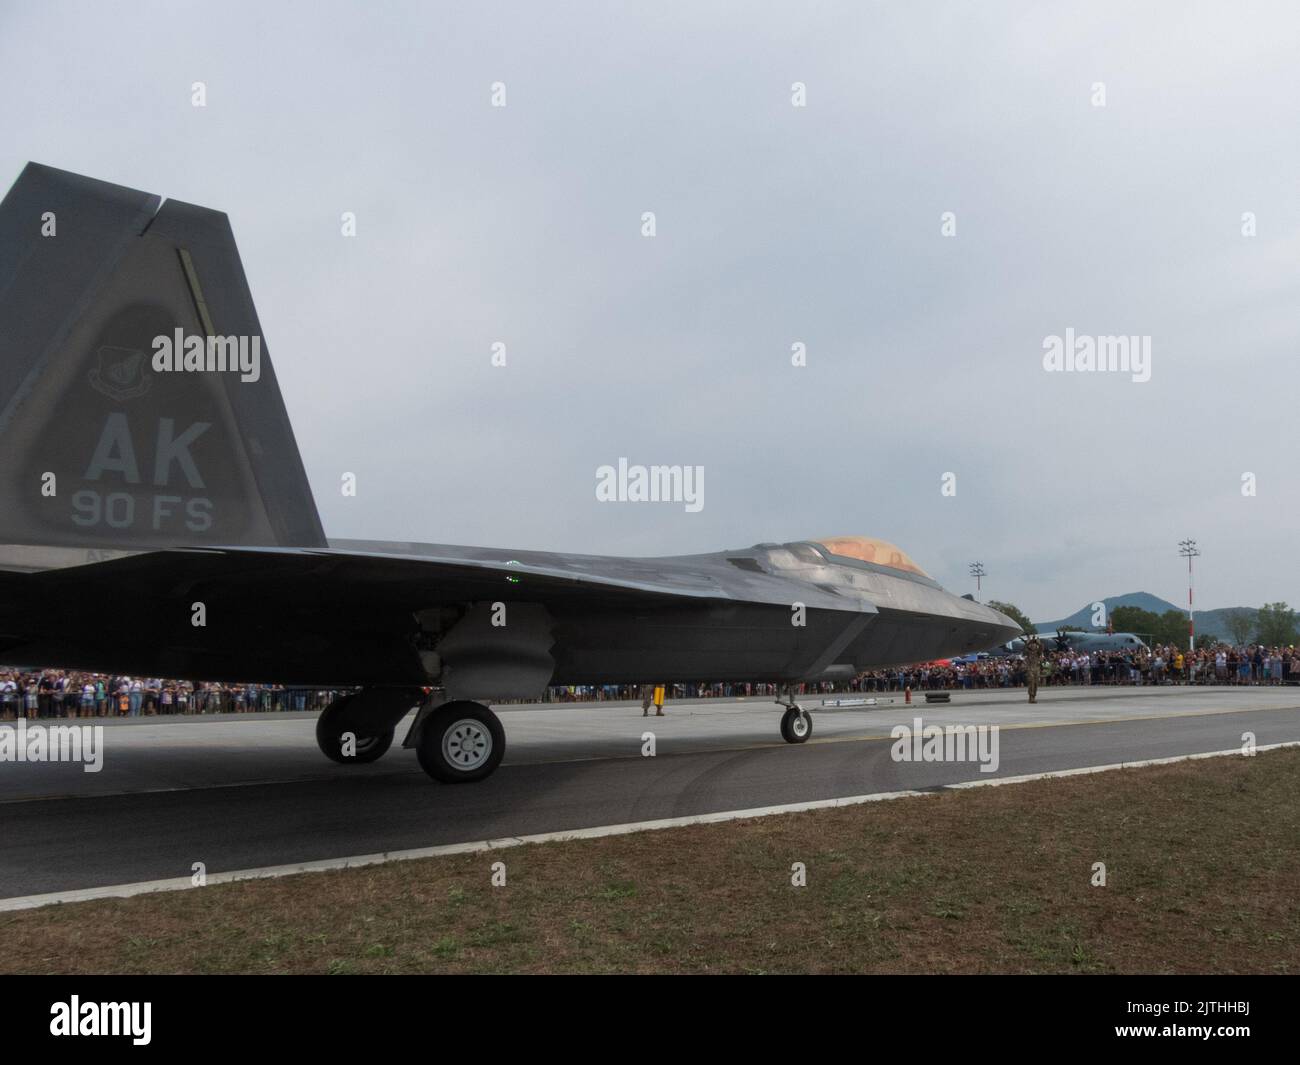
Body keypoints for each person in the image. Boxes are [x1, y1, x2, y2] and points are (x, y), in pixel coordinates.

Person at [1023, 636, 1043, 704]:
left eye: (1034, 645)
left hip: (1036, 669)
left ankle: (1033, 697)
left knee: (1036, 684)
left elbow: (1041, 649)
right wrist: (1027, 643)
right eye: (1032, 645)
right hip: (1030, 669)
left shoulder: (1038, 652)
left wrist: (1039, 643)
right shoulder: (1028, 652)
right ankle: (1031, 697)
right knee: (1031, 682)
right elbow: (1024, 650)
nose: (1033, 646)